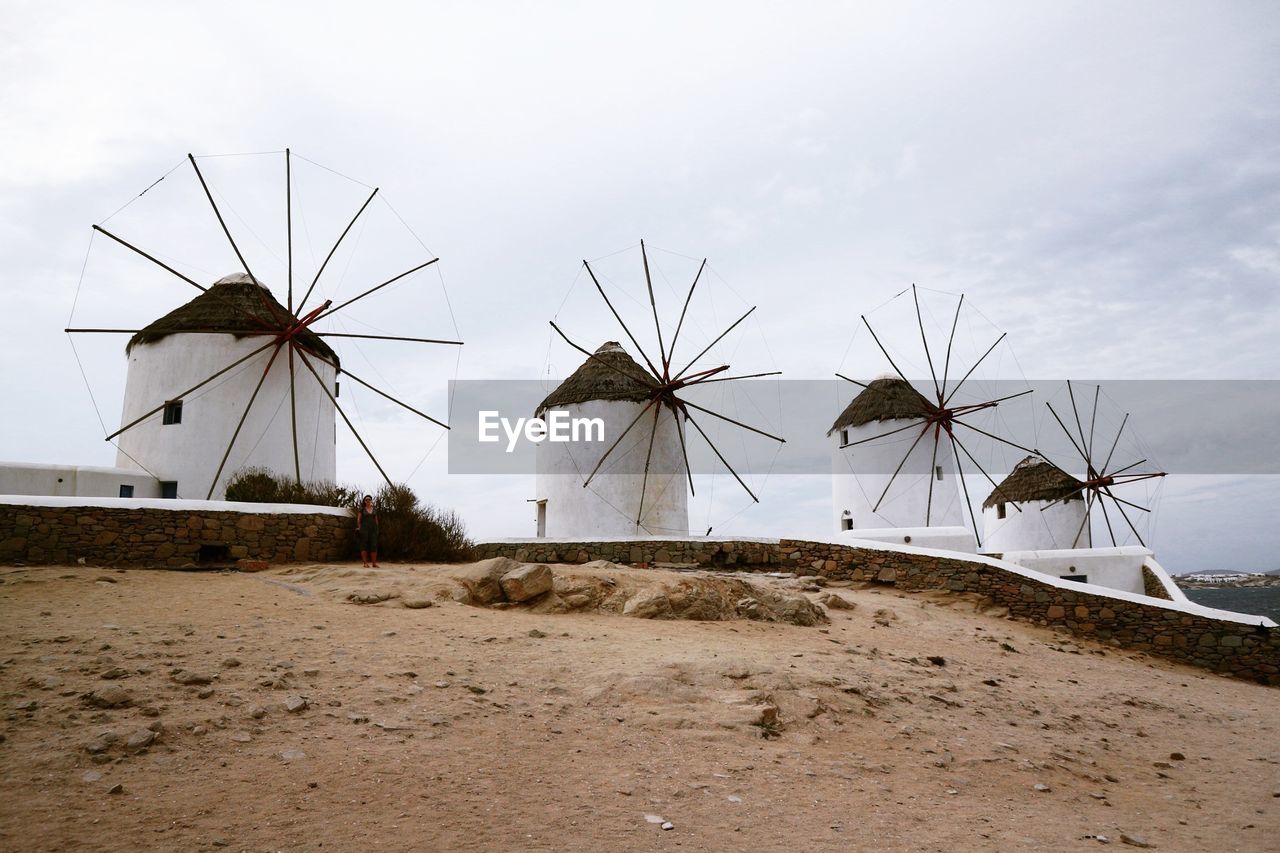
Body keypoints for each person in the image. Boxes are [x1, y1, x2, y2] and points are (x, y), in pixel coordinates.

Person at [356, 494, 379, 568]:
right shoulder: (362, 510)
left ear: (371, 500)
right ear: (364, 501)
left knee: (374, 545)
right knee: (364, 545)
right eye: (366, 499)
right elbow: (359, 520)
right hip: (364, 529)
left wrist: (377, 528)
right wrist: (360, 528)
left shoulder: (374, 509)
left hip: (373, 529)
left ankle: (374, 563)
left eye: (369, 499)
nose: (368, 500)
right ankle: (365, 563)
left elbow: (376, 520)